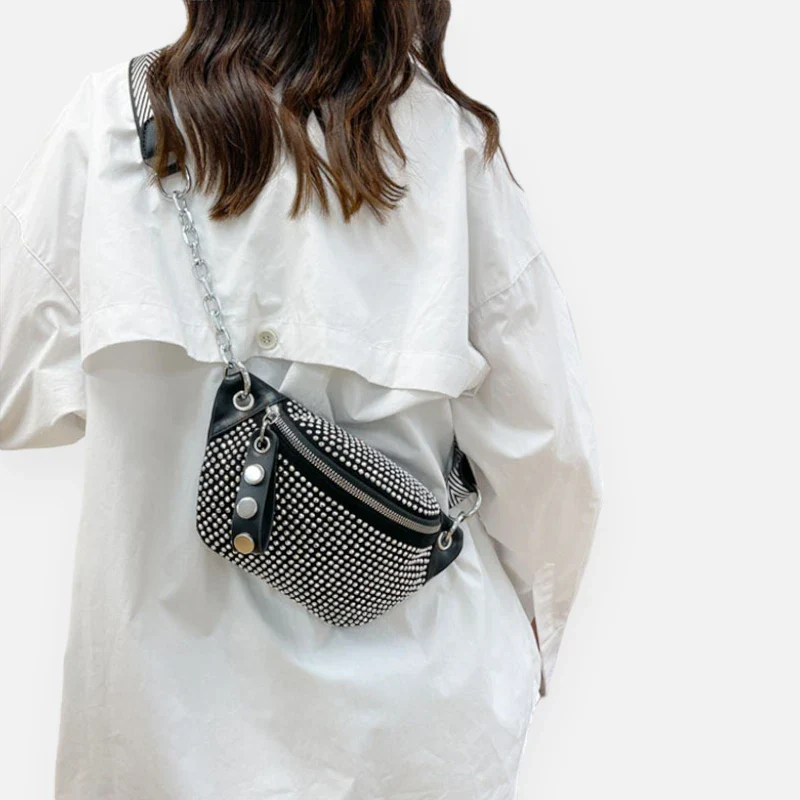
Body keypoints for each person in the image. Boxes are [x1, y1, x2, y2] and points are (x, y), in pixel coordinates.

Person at [0, 2, 602, 798]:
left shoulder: (110, 124)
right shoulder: (448, 145)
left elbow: (16, 395)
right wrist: (534, 639)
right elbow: (548, 455)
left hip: (161, 729)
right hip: (413, 731)